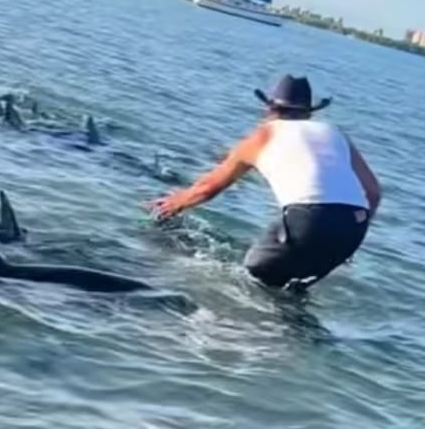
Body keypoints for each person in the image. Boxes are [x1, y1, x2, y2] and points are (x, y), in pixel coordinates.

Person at [149, 74, 383, 290]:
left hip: (308, 218)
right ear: (310, 112)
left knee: (249, 281)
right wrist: (347, 232)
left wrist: (173, 204)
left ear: (269, 108)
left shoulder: (264, 135)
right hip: (354, 228)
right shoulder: (334, 133)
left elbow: (209, 188)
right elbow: (372, 192)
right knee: (290, 292)